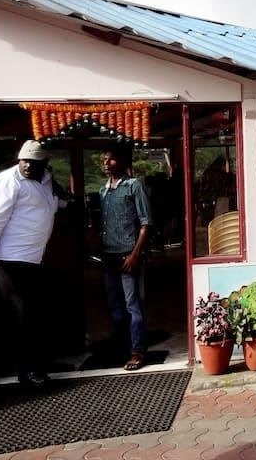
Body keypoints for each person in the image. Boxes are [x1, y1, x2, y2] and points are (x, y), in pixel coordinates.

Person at [0, 140, 60, 388]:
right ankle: (27, 371)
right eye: (24, 162)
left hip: (34, 258)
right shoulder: (8, 182)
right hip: (11, 260)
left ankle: (37, 363)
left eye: (33, 163)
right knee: (22, 315)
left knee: (36, 314)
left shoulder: (45, 180)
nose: (28, 167)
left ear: (44, 163)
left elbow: (46, 205)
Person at [99, 145, 152, 371]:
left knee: (133, 305)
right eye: (104, 158)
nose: (106, 162)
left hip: (128, 254)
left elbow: (146, 223)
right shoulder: (103, 191)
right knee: (115, 306)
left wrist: (135, 255)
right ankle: (121, 347)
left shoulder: (133, 186)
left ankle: (137, 351)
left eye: (111, 159)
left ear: (122, 162)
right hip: (108, 256)